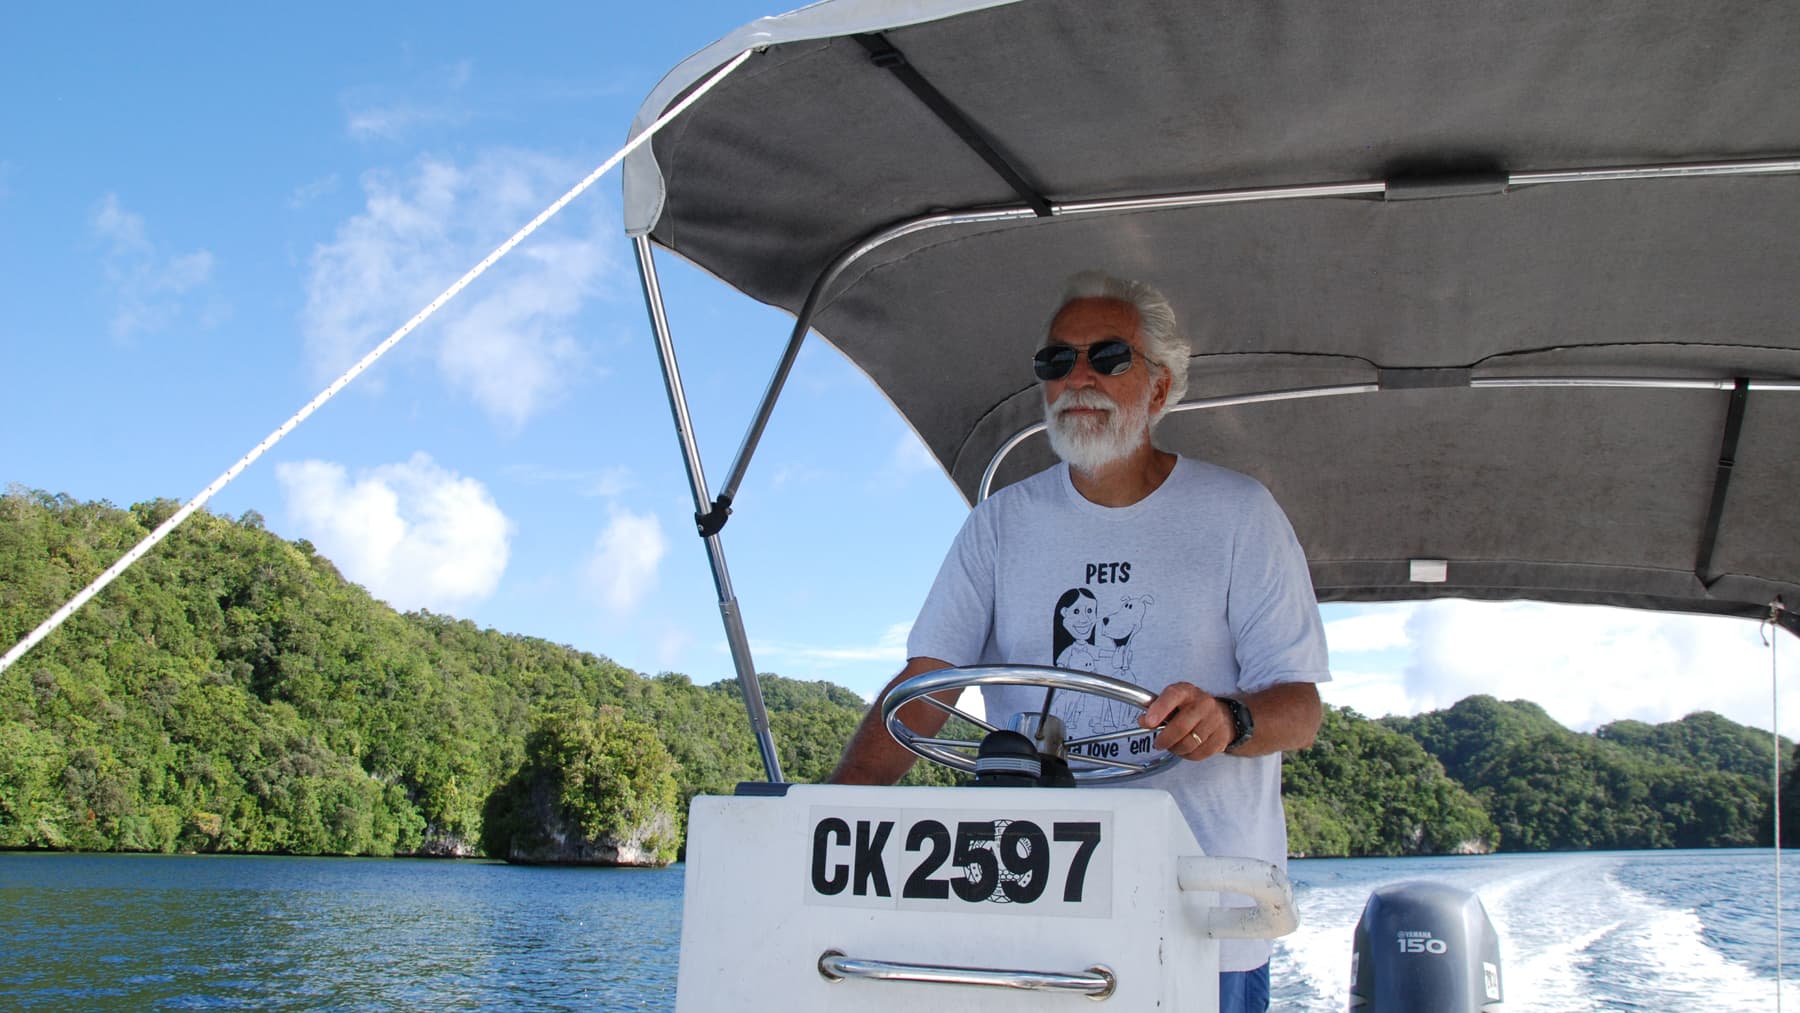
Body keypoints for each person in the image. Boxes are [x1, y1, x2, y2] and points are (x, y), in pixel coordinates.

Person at [829, 270, 1331, 1013]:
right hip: (1039, 914)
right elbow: (926, 687)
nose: (1079, 378)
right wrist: (834, 814)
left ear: (1159, 387)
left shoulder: (1239, 516)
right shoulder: (999, 525)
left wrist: (1231, 719)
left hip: (1200, 917)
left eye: (1108, 357)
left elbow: (1301, 707)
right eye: (1056, 362)